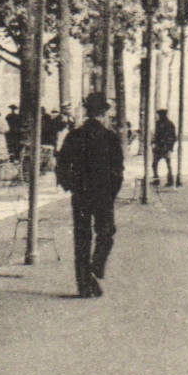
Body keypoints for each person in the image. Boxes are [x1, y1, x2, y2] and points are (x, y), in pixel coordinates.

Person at [55, 92, 122, 297]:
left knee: (81, 237)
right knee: (106, 233)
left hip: (81, 194)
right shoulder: (110, 137)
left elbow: (62, 164)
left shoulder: (75, 135)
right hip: (103, 194)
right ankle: (96, 267)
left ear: (87, 111)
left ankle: (84, 284)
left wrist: (71, 186)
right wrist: (112, 192)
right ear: (103, 112)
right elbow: (118, 169)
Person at [151, 109, 178, 185]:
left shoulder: (169, 124)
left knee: (167, 164)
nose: (159, 116)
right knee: (155, 164)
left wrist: (170, 147)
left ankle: (170, 180)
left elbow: (173, 137)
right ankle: (157, 179)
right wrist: (154, 142)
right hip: (159, 147)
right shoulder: (159, 123)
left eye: (160, 115)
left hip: (165, 147)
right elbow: (157, 135)